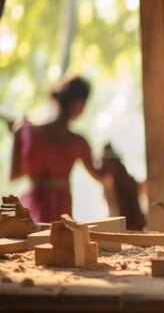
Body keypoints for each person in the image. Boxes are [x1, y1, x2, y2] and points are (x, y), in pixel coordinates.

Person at [9, 75, 104, 223]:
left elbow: (14, 174)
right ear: (79, 104)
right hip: (60, 212)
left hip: (31, 210)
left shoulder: (28, 132)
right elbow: (100, 175)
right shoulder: (78, 142)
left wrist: (17, 136)